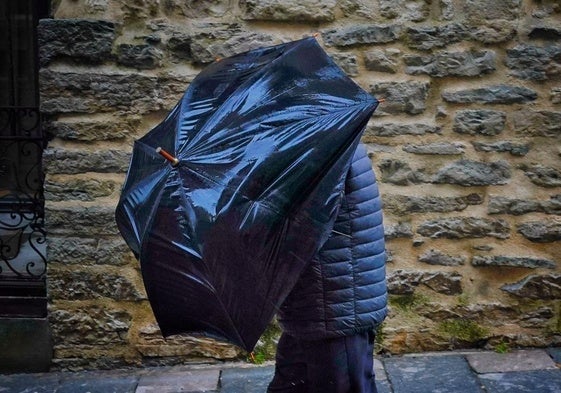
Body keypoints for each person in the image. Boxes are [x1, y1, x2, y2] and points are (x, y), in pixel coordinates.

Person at [267, 142, 388, 393]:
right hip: (320, 300)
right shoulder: (320, 141)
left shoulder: (321, 149)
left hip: (333, 301)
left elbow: (293, 219)